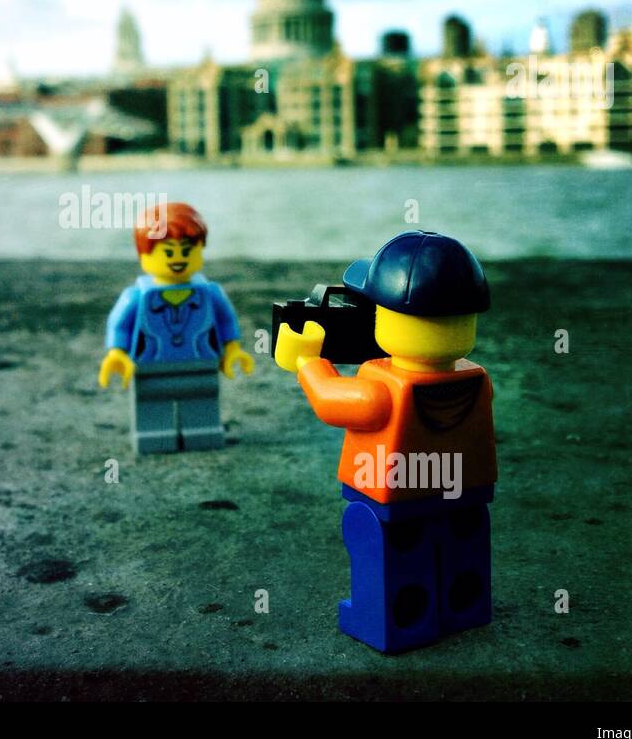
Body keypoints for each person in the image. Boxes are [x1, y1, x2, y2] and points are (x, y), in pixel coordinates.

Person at [276, 230, 496, 652]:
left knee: (392, 560)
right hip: (466, 494)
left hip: (393, 501)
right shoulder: (476, 380)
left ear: (391, 318)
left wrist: (306, 361)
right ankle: (463, 609)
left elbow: (330, 402)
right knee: (459, 555)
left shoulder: (381, 391)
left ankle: (395, 621)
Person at [99, 202, 253, 454]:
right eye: (168, 252)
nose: (179, 259)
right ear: (143, 255)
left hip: (201, 363)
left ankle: (202, 434)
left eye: (187, 250)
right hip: (151, 365)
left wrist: (232, 349)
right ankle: (154, 437)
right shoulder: (137, 296)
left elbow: (226, 321)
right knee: (152, 404)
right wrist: (116, 352)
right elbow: (120, 324)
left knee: (202, 401)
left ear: (201, 249)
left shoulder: (210, 293)